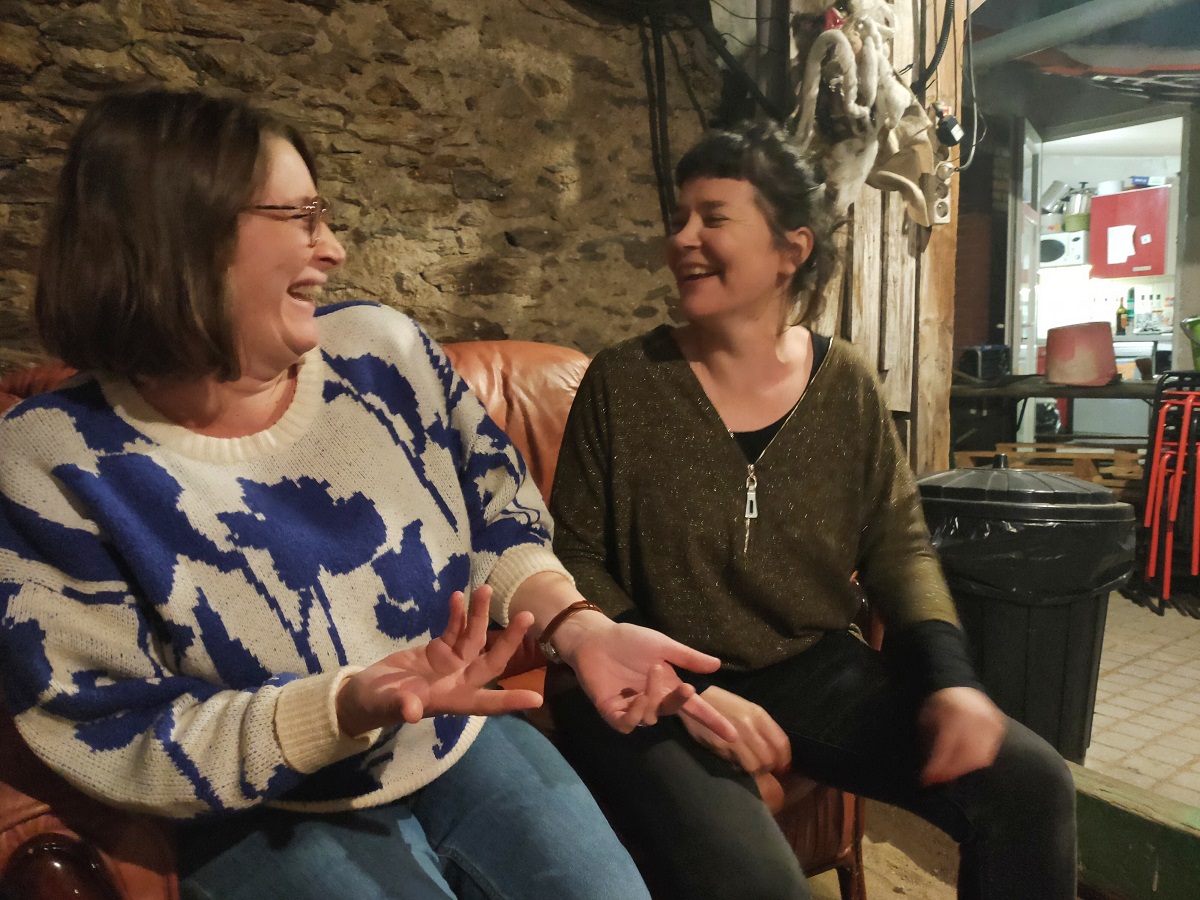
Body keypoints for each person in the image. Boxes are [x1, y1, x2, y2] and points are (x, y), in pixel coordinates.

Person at [0, 87, 736, 900]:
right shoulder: (50, 461)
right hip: (260, 807)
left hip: (459, 740)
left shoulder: (382, 352)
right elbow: (110, 726)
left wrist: (578, 625)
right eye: (303, 217)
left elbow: (497, 516)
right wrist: (342, 706)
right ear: (185, 237)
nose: (335, 248)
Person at [547, 123, 1077, 900]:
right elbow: (577, 556)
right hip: (651, 680)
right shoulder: (626, 381)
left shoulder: (846, 384)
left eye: (714, 218)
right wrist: (677, 686)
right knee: (758, 883)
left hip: (809, 668)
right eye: (679, 218)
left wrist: (951, 680)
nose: (683, 239)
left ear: (790, 250)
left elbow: (900, 550)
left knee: (1032, 784)